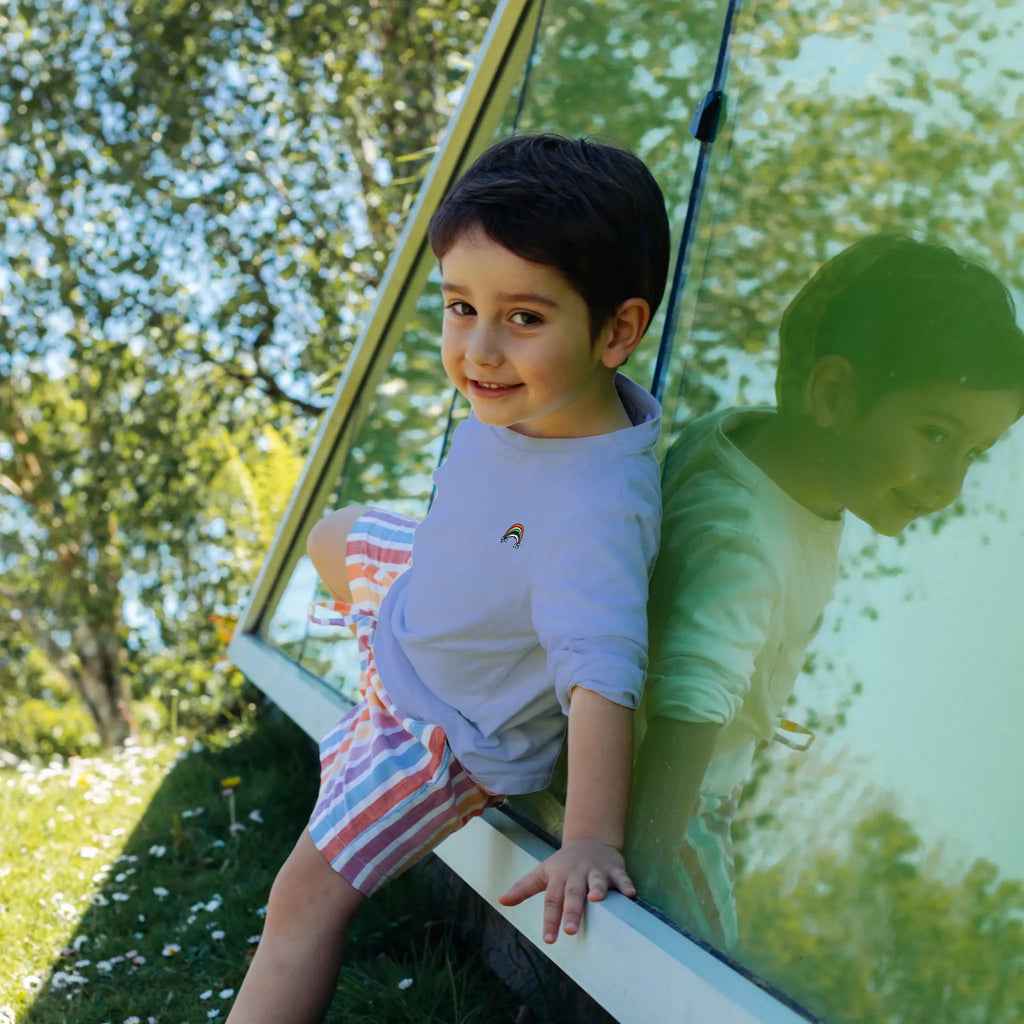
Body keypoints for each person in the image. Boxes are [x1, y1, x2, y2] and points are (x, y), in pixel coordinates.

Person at [226, 133, 670, 1024]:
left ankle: (366, 748)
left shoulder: (590, 515)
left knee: (301, 900)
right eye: (460, 306)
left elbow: (600, 674)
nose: (480, 350)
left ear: (618, 331)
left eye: (525, 318)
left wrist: (587, 837)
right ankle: (367, 669)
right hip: (430, 600)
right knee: (333, 534)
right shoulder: (537, 401)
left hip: (440, 728)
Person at [625, 235, 1024, 950]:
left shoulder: (742, 441)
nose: (950, 485)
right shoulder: (747, 540)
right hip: (675, 807)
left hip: (646, 778)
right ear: (833, 394)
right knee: (713, 983)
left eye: (973, 453)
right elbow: (691, 702)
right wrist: (633, 892)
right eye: (936, 433)